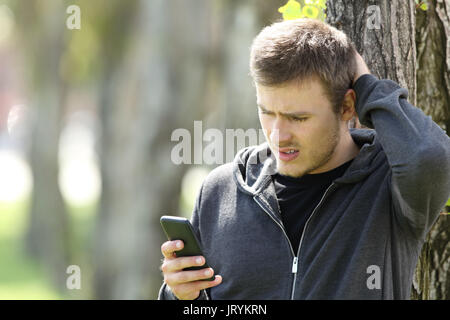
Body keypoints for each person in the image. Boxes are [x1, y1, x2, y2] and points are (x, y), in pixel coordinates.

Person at [158, 18, 450, 300]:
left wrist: (368, 86)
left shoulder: (388, 187)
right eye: (267, 112)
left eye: (297, 118)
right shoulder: (220, 191)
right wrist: (181, 296)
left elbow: (433, 158)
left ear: (348, 106)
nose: (278, 135)